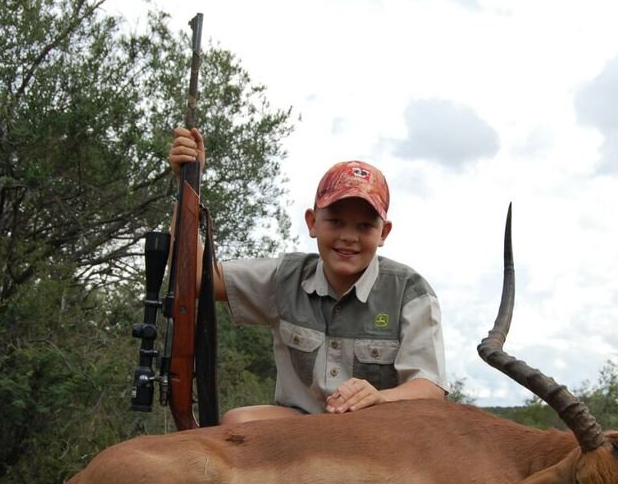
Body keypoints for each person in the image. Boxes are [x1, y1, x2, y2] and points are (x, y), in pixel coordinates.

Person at [169, 127, 447, 425]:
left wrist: (381, 398)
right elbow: (196, 277)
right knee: (238, 422)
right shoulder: (285, 276)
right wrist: (188, 183)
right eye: (336, 221)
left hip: (374, 432)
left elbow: (430, 387)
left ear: (384, 233)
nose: (349, 237)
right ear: (312, 222)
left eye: (365, 226)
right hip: (298, 431)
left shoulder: (410, 291)